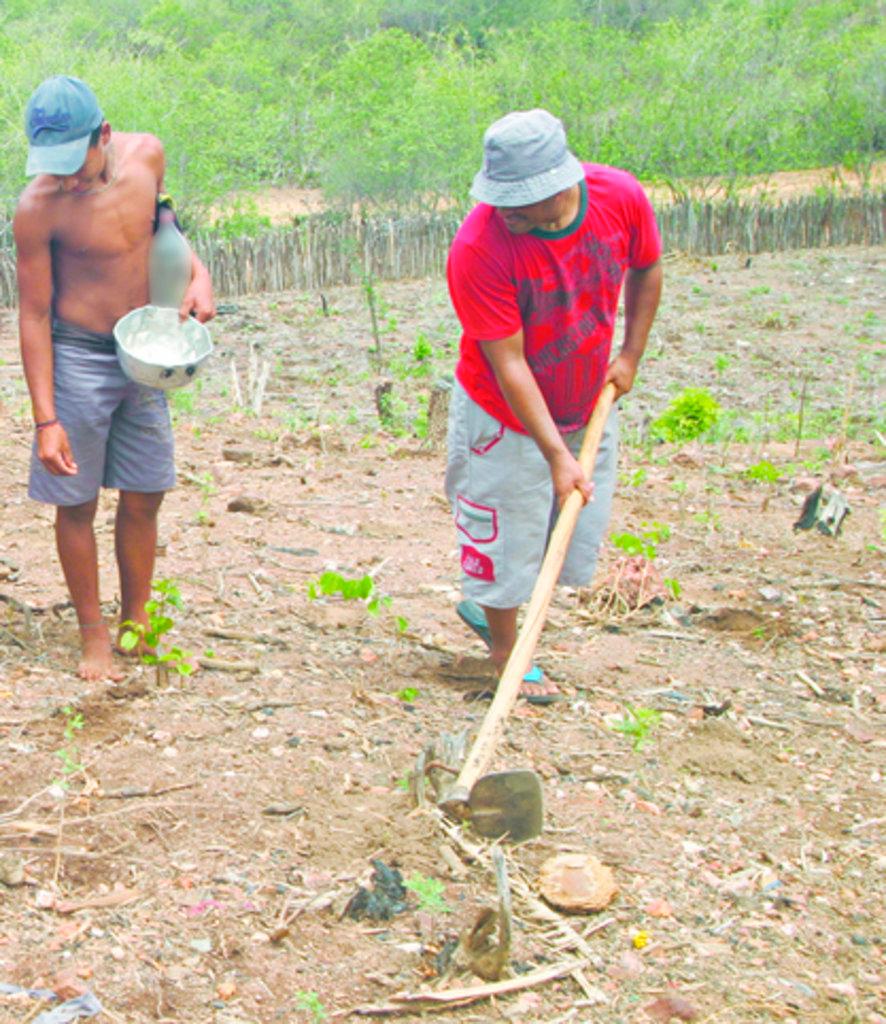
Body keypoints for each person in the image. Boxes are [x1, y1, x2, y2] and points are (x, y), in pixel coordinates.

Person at [445, 108, 662, 703]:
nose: (505, 212)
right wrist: (555, 455)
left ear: (557, 187)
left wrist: (631, 355)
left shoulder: (620, 197)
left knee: (561, 536)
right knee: (506, 533)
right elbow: (507, 362)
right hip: (504, 410)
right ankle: (506, 655)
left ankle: (491, 612)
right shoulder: (479, 246)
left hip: (585, 396)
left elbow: (646, 267)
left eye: (519, 202)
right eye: (500, 199)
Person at [13, 75, 215, 681]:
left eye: (76, 163)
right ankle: (93, 635)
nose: (68, 178)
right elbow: (33, 314)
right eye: (55, 166)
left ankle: (136, 620)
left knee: (145, 491)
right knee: (74, 499)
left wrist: (198, 275)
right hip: (76, 353)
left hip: (147, 346)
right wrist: (47, 419)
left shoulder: (147, 154)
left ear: (104, 134)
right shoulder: (37, 208)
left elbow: (164, 228)